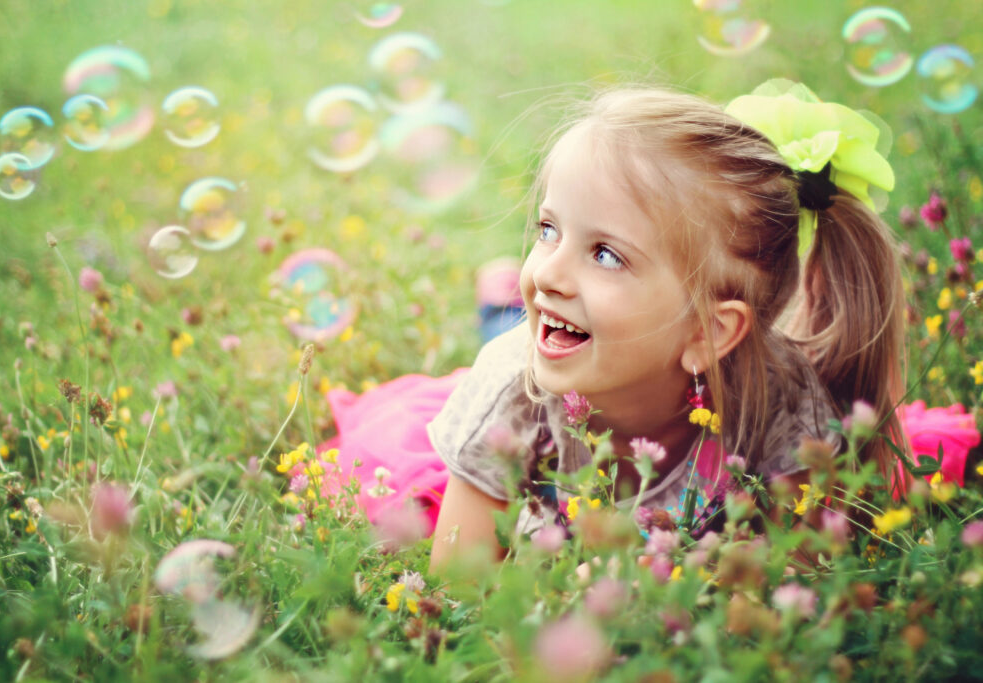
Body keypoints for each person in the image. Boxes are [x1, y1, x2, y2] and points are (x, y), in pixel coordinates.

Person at [322, 80, 908, 572]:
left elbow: (788, 591)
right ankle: (497, 309)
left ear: (708, 333)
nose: (549, 270)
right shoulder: (508, 396)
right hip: (543, 351)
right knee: (512, 335)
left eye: (605, 254)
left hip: (575, 339)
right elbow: (457, 588)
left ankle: (500, 304)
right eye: (548, 230)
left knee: (542, 317)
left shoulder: (779, 405)